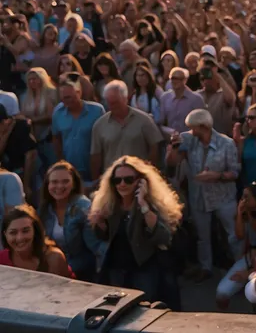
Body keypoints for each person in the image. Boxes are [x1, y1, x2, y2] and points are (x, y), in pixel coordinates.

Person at [89, 155, 183, 309]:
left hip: (144, 270)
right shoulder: (109, 205)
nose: (122, 184)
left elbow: (163, 237)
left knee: (143, 313)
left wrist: (143, 205)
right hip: (116, 270)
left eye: (128, 179)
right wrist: (100, 223)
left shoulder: (151, 205)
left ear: (141, 181)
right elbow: (103, 237)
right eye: (117, 180)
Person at [166, 108, 240, 283]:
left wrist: (217, 176)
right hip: (199, 196)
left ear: (203, 126)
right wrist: (173, 148)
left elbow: (235, 172)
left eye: (193, 128)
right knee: (202, 236)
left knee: (233, 234)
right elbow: (171, 165)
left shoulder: (226, 144)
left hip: (223, 197)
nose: (191, 132)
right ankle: (206, 267)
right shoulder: (188, 140)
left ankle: (241, 266)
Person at [216, 182, 256, 311]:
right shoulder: (244, 213)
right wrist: (239, 213)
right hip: (249, 258)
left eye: (247, 197)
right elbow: (239, 235)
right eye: (242, 197)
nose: (243, 200)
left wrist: (248, 273)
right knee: (221, 293)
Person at [39, 161, 103, 281]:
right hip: (52, 269)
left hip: (80, 272)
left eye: (65, 181)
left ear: (73, 184)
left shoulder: (82, 207)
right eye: (54, 182)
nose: (59, 186)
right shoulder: (44, 209)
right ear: (47, 185)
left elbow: (95, 249)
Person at [90, 80, 163, 179]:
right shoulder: (100, 125)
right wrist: (97, 180)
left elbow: (154, 146)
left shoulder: (144, 120)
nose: (112, 107)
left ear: (125, 99)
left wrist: (148, 171)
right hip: (112, 179)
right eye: (109, 103)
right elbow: (96, 155)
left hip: (138, 177)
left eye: (116, 103)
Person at [0, 203, 72, 277]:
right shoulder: (1, 259)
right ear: (5, 234)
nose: (20, 238)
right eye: (13, 232)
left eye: (25, 231)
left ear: (35, 230)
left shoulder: (54, 258)